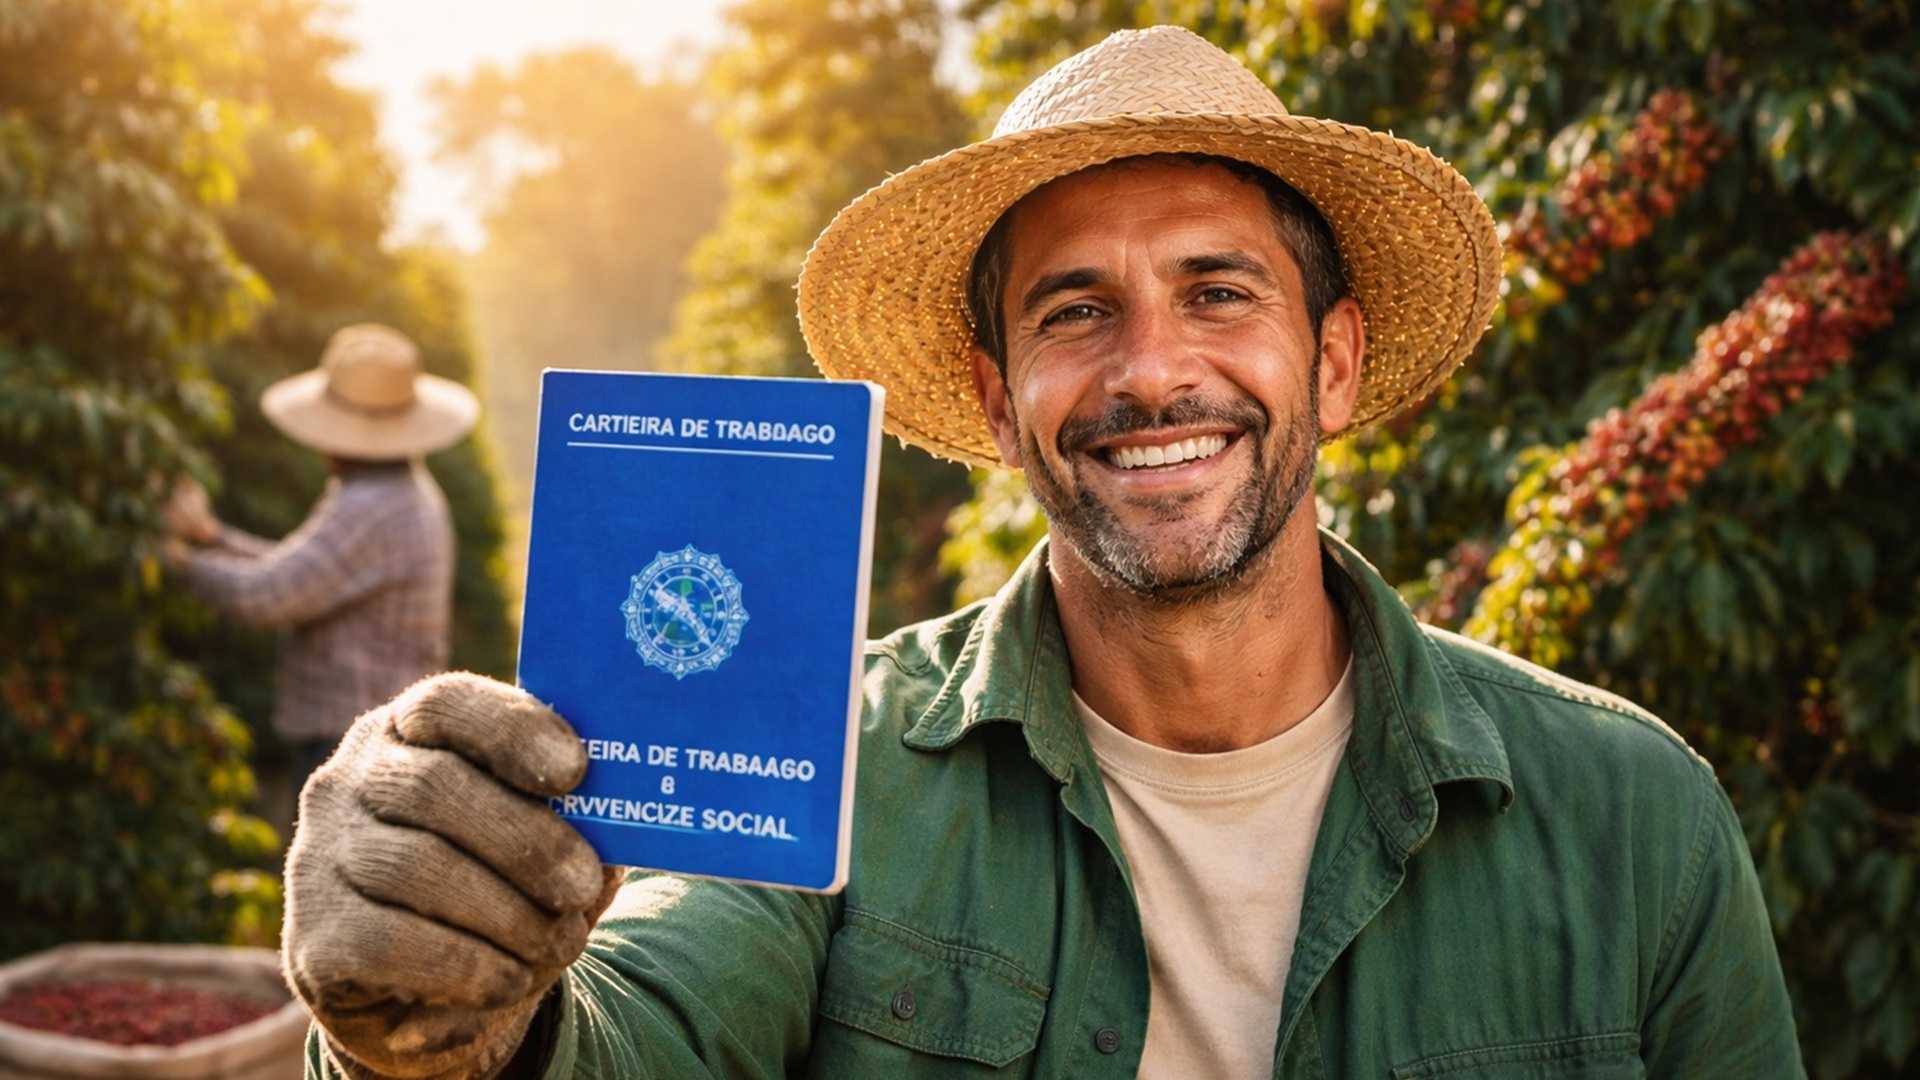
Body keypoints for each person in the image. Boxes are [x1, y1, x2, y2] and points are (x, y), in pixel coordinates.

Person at [280, 28, 1802, 1080]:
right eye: (1076, 310)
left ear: (1333, 364)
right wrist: (447, 1024)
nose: (1151, 372)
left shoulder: (1634, 822)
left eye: (1219, 291)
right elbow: (637, 1022)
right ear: (1001, 404)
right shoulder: (833, 763)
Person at [164, 323, 474, 800]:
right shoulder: (392, 491)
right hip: (370, 732)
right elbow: (302, 570)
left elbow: (266, 595)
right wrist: (212, 537)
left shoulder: (374, 505)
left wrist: (179, 561)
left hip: (353, 739)